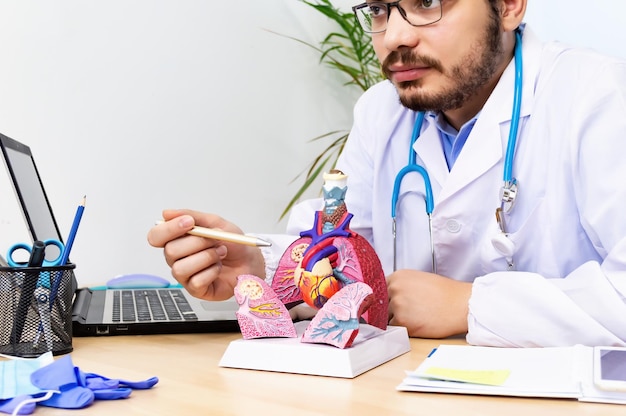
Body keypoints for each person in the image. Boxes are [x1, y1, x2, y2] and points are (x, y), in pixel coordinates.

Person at [147, 0, 626, 347]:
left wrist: (469, 304)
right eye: (379, 9)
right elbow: (348, 253)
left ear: (509, 6)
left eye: (427, 3)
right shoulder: (383, 111)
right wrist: (264, 270)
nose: (394, 37)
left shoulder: (599, 98)